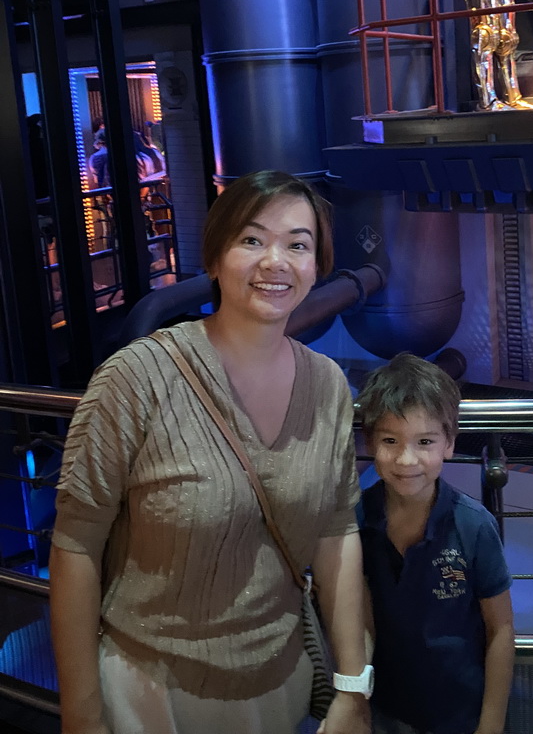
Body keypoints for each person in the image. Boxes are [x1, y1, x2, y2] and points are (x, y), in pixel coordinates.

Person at [50, 170, 372, 734]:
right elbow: (75, 545)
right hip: (152, 696)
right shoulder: (138, 377)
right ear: (216, 257)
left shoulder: (326, 385)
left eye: (298, 244)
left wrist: (353, 686)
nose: (276, 261)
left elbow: (337, 533)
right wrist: (82, 714)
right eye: (252, 240)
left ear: (317, 266)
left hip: (281, 684)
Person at [356, 353, 514, 734]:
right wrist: (354, 700)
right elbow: (359, 621)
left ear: (449, 444)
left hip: (461, 711)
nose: (407, 458)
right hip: (386, 707)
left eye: (425, 441)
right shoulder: (357, 520)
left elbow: (501, 629)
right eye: (390, 440)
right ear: (370, 443)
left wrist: (490, 723)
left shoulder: (473, 526)